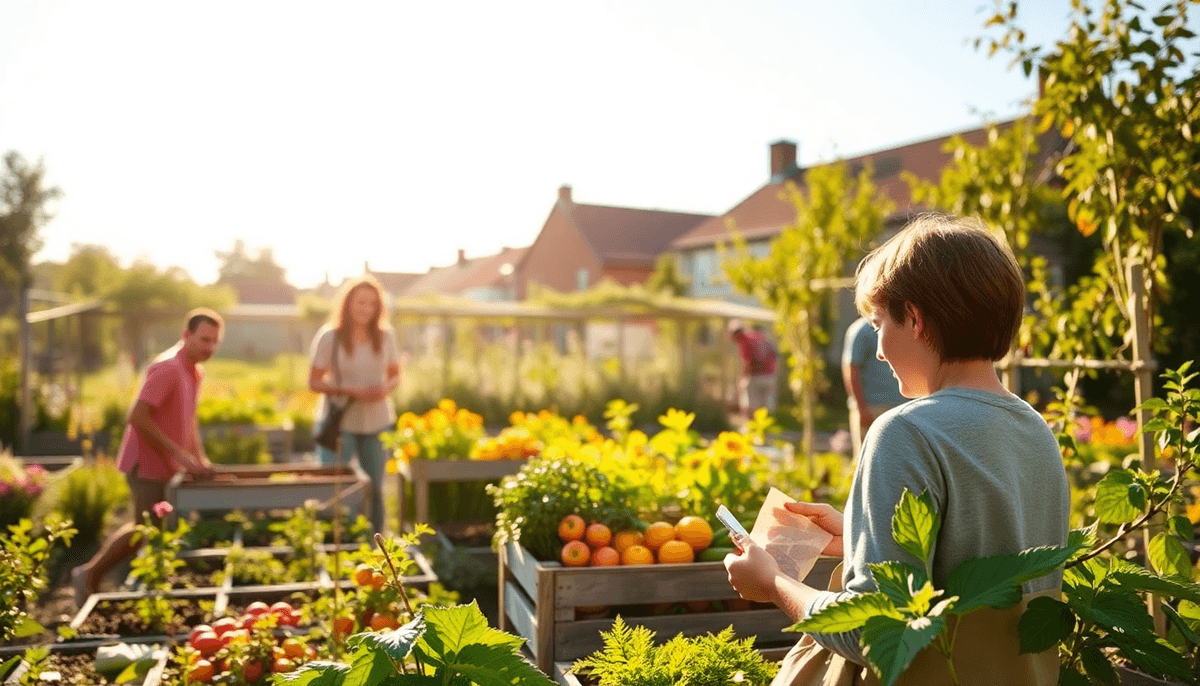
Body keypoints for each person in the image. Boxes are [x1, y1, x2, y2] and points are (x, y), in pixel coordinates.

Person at [724, 214, 1070, 685]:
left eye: (878, 321)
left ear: (915, 318)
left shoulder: (904, 432)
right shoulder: (1036, 430)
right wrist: (857, 536)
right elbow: (986, 565)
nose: (880, 350)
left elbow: (876, 631)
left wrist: (774, 584)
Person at [71, 308, 223, 604]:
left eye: (215, 342)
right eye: (204, 340)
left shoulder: (194, 371)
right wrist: (182, 455)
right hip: (146, 463)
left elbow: (188, 420)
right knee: (143, 529)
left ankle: (140, 582)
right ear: (186, 335)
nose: (210, 348)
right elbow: (137, 417)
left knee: (154, 528)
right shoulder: (166, 368)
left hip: (166, 463)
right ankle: (88, 575)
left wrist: (199, 458)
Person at [308, 276, 400, 534]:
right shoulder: (330, 336)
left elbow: (395, 374)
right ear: (347, 304)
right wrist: (352, 391)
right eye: (360, 302)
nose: (366, 309)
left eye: (372, 303)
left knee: (375, 489)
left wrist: (385, 388)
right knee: (337, 488)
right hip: (340, 423)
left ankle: (375, 543)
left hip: (377, 421)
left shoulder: (386, 336)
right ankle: (338, 542)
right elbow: (314, 382)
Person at [842, 316, 907, 457]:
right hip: (872, 408)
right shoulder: (861, 330)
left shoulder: (897, 326)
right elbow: (851, 368)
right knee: (868, 460)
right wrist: (861, 408)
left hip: (899, 406)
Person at [729, 320, 778, 415]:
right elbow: (774, 355)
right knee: (766, 410)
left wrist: (741, 379)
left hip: (755, 377)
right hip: (769, 376)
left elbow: (747, 362)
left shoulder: (744, 340)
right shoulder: (757, 336)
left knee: (751, 409)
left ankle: (752, 428)